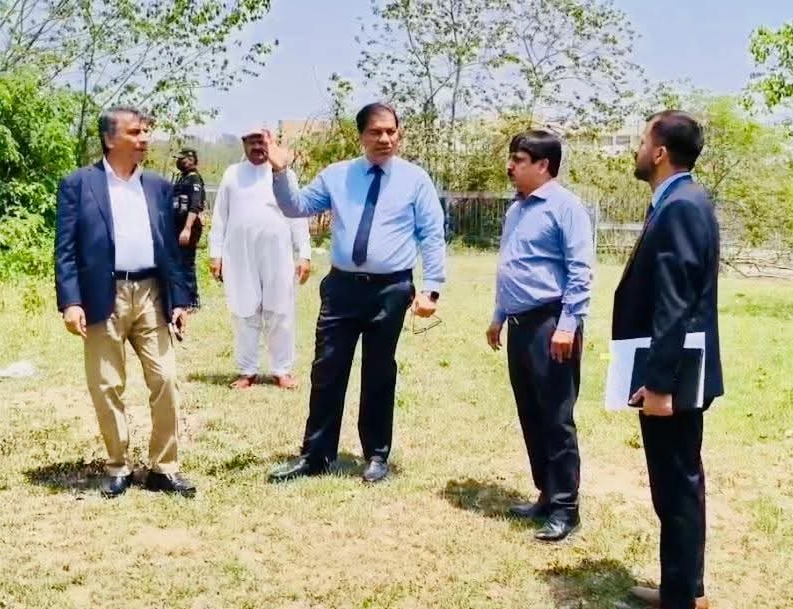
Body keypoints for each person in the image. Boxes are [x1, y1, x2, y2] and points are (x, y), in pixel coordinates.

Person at [264, 102, 445, 484]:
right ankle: (316, 455)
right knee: (327, 370)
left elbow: (432, 235)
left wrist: (431, 289)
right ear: (360, 135)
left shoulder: (415, 180)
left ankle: (376, 455)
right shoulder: (338, 176)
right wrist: (280, 172)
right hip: (342, 288)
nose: (385, 139)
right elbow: (296, 207)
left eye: (391, 131)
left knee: (379, 372)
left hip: (391, 290)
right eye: (376, 132)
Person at [54, 106, 196, 498]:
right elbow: (65, 250)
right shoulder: (78, 184)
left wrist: (179, 300)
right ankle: (118, 465)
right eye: (135, 132)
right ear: (109, 138)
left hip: (151, 292)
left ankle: (164, 468)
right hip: (103, 295)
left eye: (146, 131)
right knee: (107, 384)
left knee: (165, 378)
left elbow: (170, 250)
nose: (144, 138)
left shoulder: (158, 187)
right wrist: (71, 302)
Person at [614, 111, 723, 609]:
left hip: (674, 378)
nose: (637, 149)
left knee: (676, 486)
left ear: (659, 152)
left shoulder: (680, 206)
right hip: (675, 371)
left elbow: (674, 303)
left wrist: (659, 385)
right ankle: (685, 589)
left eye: (642, 141)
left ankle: (681, 598)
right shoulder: (681, 201)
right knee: (678, 483)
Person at [486, 130, 593, 542]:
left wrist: (568, 325)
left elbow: (580, 270)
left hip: (552, 324)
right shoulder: (517, 209)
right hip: (519, 324)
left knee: (556, 418)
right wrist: (499, 315)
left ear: (543, 165)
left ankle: (566, 508)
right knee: (530, 412)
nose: (510, 166)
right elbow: (514, 264)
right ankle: (546, 494)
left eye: (519, 159)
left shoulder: (566, 207)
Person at [208, 127, 312, 389]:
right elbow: (220, 217)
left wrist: (304, 253)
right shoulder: (232, 174)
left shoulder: (284, 174)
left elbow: (298, 216)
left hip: (278, 253)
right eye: (251, 142)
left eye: (262, 142)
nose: (257, 147)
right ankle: (247, 371)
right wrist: (215, 254)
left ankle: (281, 370)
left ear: (271, 143)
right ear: (243, 144)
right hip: (239, 255)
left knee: (281, 310)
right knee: (244, 311)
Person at [172, 148, 206, 308]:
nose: (179, 162)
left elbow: (195, 205)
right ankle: (181, 299)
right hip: (177, 226)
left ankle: (192, 301)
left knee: (186, 264)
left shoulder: (194, 179)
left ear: (191, 160)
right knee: (178, 263)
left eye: (182, 159)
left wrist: (187, 228)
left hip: (188, 228)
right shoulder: (183, 178)